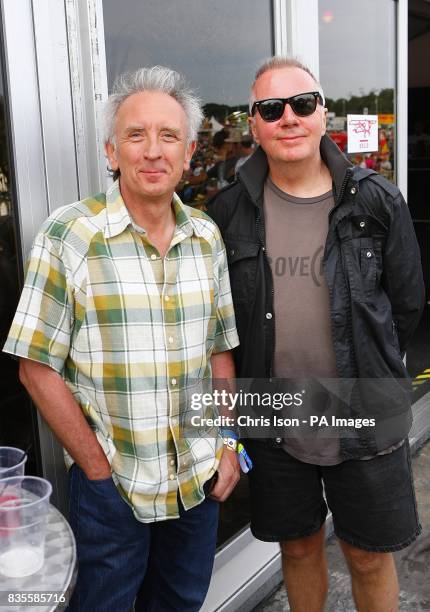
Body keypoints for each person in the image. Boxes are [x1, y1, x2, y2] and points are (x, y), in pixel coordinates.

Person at [3, 66, 240, 611]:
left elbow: (220, 351)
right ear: (112, 153)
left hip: (196, 483)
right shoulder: (71, 236)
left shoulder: (206, 236)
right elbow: (34, 367)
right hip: (114, 489)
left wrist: (228, 446)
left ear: (188, 155)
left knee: (181, 603)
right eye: (136, 135)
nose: (152, 151)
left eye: (168, 136)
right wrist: (96, 468)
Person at [207, 56, 425, 612]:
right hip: (276, 414)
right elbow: (222, 328)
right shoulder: (227, 212)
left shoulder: (376, 199)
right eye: (271, 108)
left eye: (302, 104)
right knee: (299, 551)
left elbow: (406, 305)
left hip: (363, 409)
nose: (289, 118)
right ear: (252, 124)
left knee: (369, 555)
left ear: (323, 113)